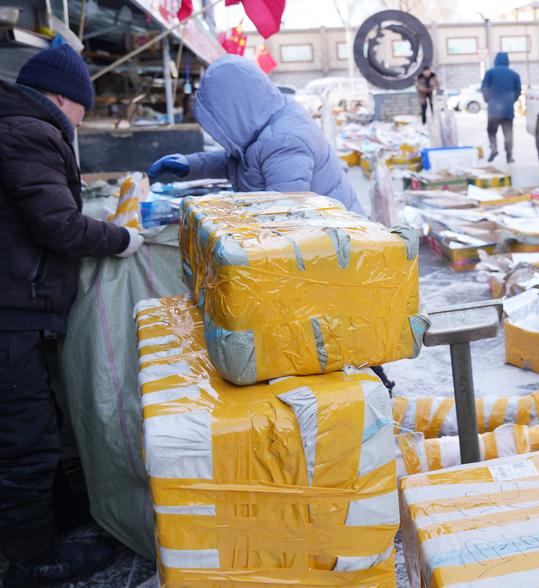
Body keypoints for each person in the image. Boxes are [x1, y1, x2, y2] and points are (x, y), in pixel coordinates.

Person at [0, 44, 143, 586]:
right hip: (11, 310)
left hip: (16, 304)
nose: (83, 118)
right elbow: (57, 224)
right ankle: (30, 558)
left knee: (33, 424)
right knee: (25, 437)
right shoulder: (28, 131)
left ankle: (52, 523)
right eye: (85, 106)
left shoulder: (17, 125)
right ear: (63, 98)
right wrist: (120, 239)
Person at [148, 55, 364, 215]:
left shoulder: (284, 141)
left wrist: (229, 215)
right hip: (320, 239)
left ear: (236, 108)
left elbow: (283, 214)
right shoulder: (262, 125)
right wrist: (190, 164)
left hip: (336, 247)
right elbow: (237, 162)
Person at [481, 52, 522, 164]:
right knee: (508, 133)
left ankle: (493, 148)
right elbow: (518, 91)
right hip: (508, 110)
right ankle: (509, 156)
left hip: (493, 110)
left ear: (496, 61)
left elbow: (484, 88)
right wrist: (511, 100)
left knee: (491, 131)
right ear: (507, 61)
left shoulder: (490, 73)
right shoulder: (514, 75)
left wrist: (488, 99)